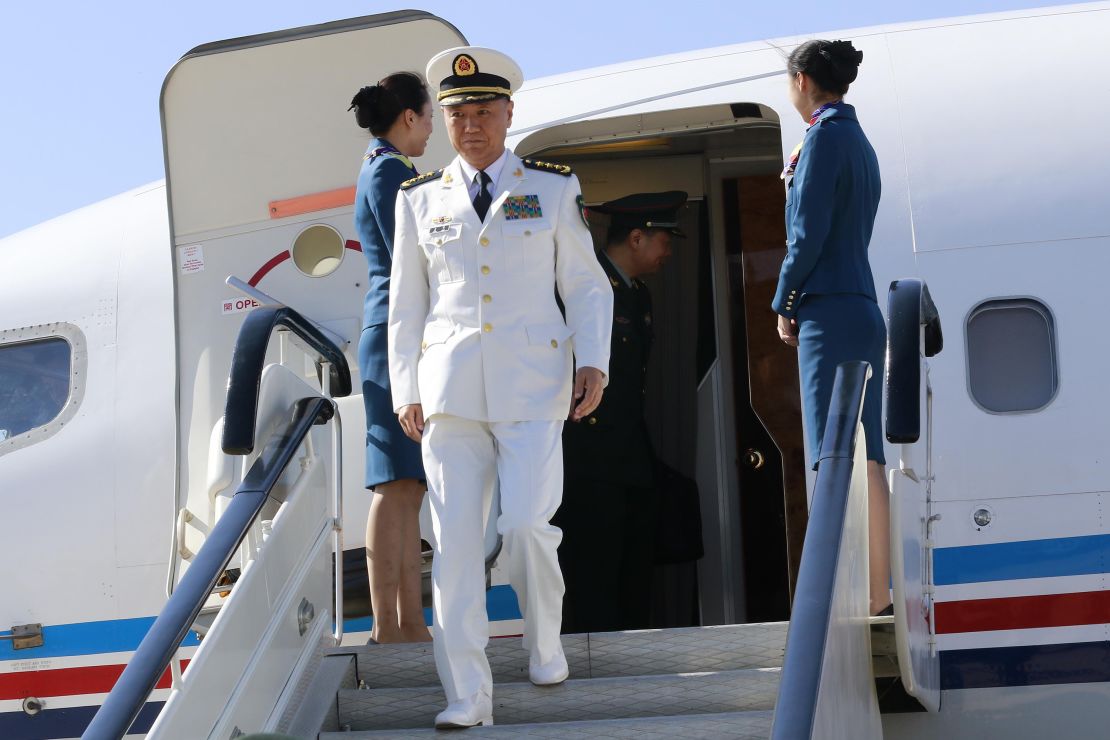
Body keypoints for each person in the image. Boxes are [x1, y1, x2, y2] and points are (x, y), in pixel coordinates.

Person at [388, 46, 613, 728]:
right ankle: (468, 696)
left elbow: (584, 283)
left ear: (509, 114)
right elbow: (406, 304)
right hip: (450, 393)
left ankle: (545, 643)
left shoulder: (550, 188)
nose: (472, 125)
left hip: (531, 387)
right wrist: (405, 387)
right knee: (454, 548)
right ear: (445, 121)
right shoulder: (419, 198)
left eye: (484, 111)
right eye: (458, 114)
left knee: (524, 527)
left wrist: (593, 360)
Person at [772, 39, 891, 616]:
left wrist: (784, 299)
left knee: (829, 453)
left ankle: (838, 597)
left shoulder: (822, 138)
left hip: (829, 310)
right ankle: (875, 591)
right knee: (869, 452)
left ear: (800, 80)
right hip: (861, 305)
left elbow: (806, 235)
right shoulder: (858, 137)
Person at [556, 191, 687, 634]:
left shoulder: (638, 296)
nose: (668, 251)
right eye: (664, 240)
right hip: (588, 461)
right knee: (593, 578)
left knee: (632, 576)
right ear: (636, 238)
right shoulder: (584, 289)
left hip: (629, 458)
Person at [349, 72, 434, 644]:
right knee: (393, 481)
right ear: (409, 117)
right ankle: (390, 625)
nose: (432, 129)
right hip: (395, 334)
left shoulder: (386, 166)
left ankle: (409, 622)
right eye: (430, 118)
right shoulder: (390, 172)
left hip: (404, 333)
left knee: (409, 484)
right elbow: (414, 256)